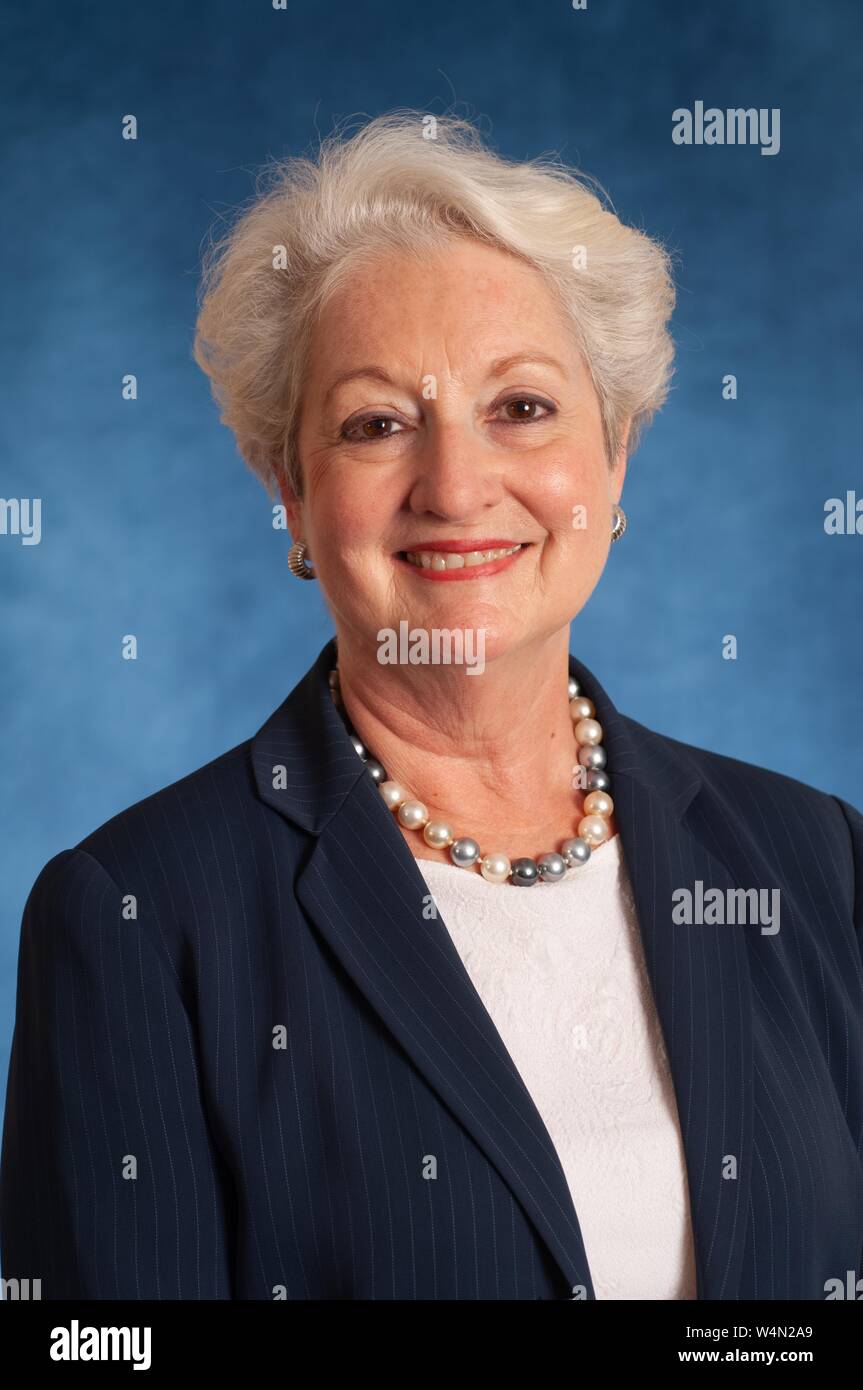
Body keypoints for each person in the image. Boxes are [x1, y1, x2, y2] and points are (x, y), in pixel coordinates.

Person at [2, 111, 861, 1300]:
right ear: (292, 494)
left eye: (521, 407)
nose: (455, 485)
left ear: (613, 461)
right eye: (377, 424)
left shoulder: (810, 855)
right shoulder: (139, 918)